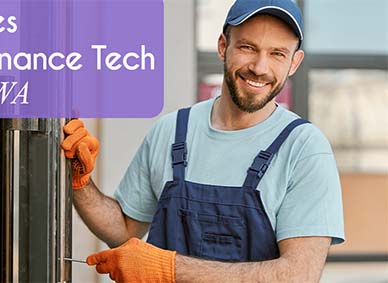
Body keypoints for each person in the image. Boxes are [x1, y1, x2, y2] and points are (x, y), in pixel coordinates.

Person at [61, 0, 345, 282]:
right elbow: (124, 231)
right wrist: (81, 183)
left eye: (277, 54)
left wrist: (169, 268)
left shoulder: (304, 148)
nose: (260, 67)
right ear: (223, 46)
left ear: (294, 63)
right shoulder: (171, 131)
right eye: (248, 47)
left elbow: (298, 275)